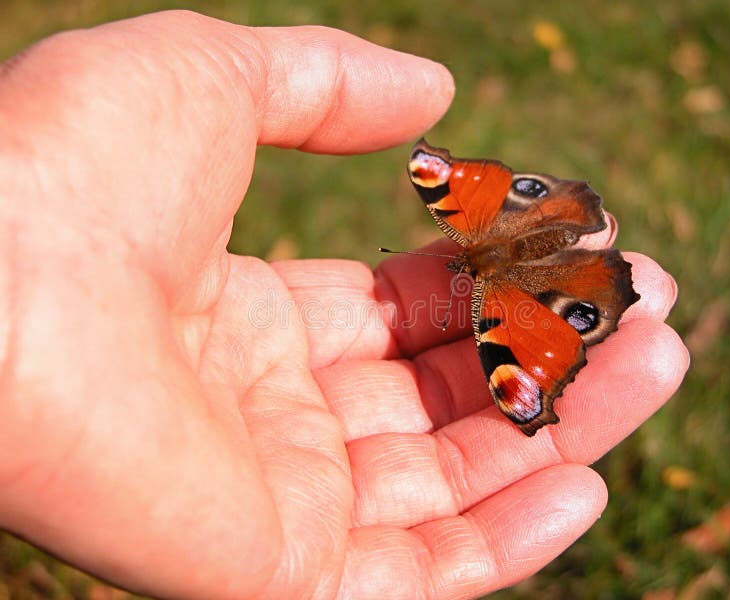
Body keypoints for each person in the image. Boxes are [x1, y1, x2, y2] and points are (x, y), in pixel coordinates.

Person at [0, 10, 689, 599]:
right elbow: (442, 179)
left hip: (506, 252)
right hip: (526, 248)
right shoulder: (485, 292)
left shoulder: (487, 294)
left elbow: (439, 177)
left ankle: (578, 268)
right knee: (530, 309)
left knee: (508, 316)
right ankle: (580, 268)